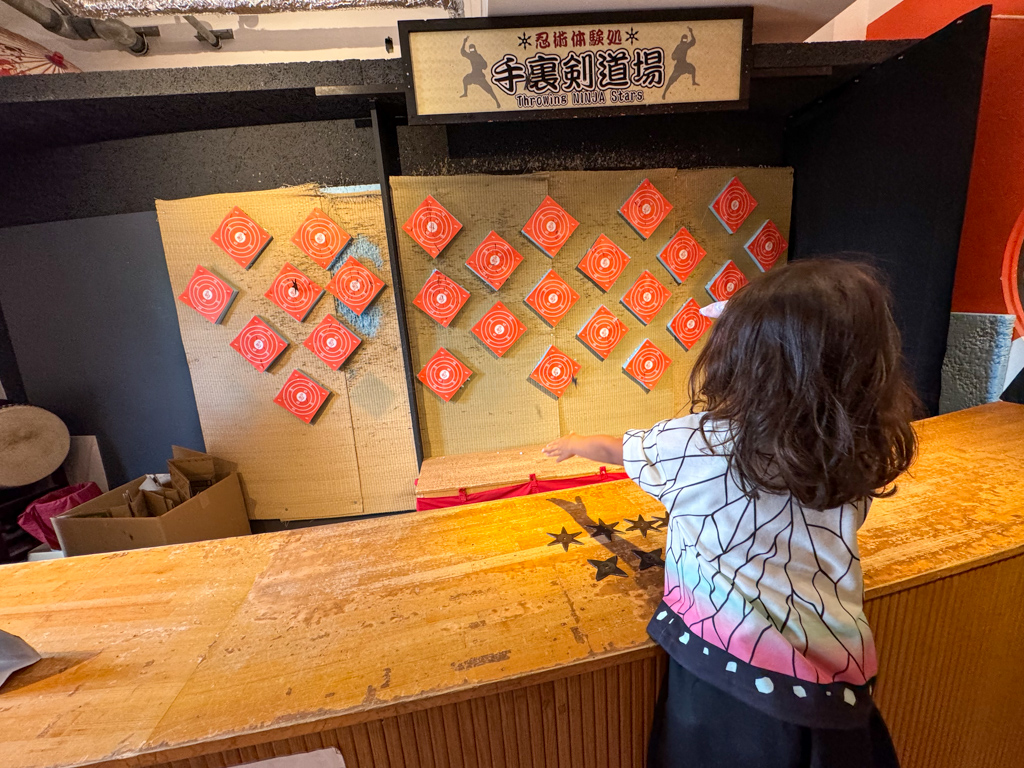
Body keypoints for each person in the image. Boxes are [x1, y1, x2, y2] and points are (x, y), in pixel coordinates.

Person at [543, 260, 918, 768]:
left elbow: (621, 449)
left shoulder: (699, 443)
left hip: (726, 681)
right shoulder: (856, 446)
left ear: (742, 363)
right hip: (835, 681)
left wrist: (575, 442)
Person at [460, 36, 501, 108]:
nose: (472, 50)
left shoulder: (478, 56)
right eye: (471, 49)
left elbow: (485, 65)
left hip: (479, 76)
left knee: (489, 89)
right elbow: (463, 52)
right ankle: (465, 93)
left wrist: (480, 65)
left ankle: (497, 102)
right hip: (473, 75)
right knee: (465, 79)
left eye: (472, 49)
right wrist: (464, 42)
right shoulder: (472, 56)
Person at [663, 26, 699, 99]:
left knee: (692, 68)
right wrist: (676, 56)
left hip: (684, 64)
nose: (685, 40)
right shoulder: (679, 46)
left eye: (686, 39)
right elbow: (673, 56)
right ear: (682, 40)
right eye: (684, 39)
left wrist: (691, 32)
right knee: (671, 80)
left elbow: (693, 42)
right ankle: (664, 93)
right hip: (679, 67)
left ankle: (693, 82)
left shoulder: (685, 45)